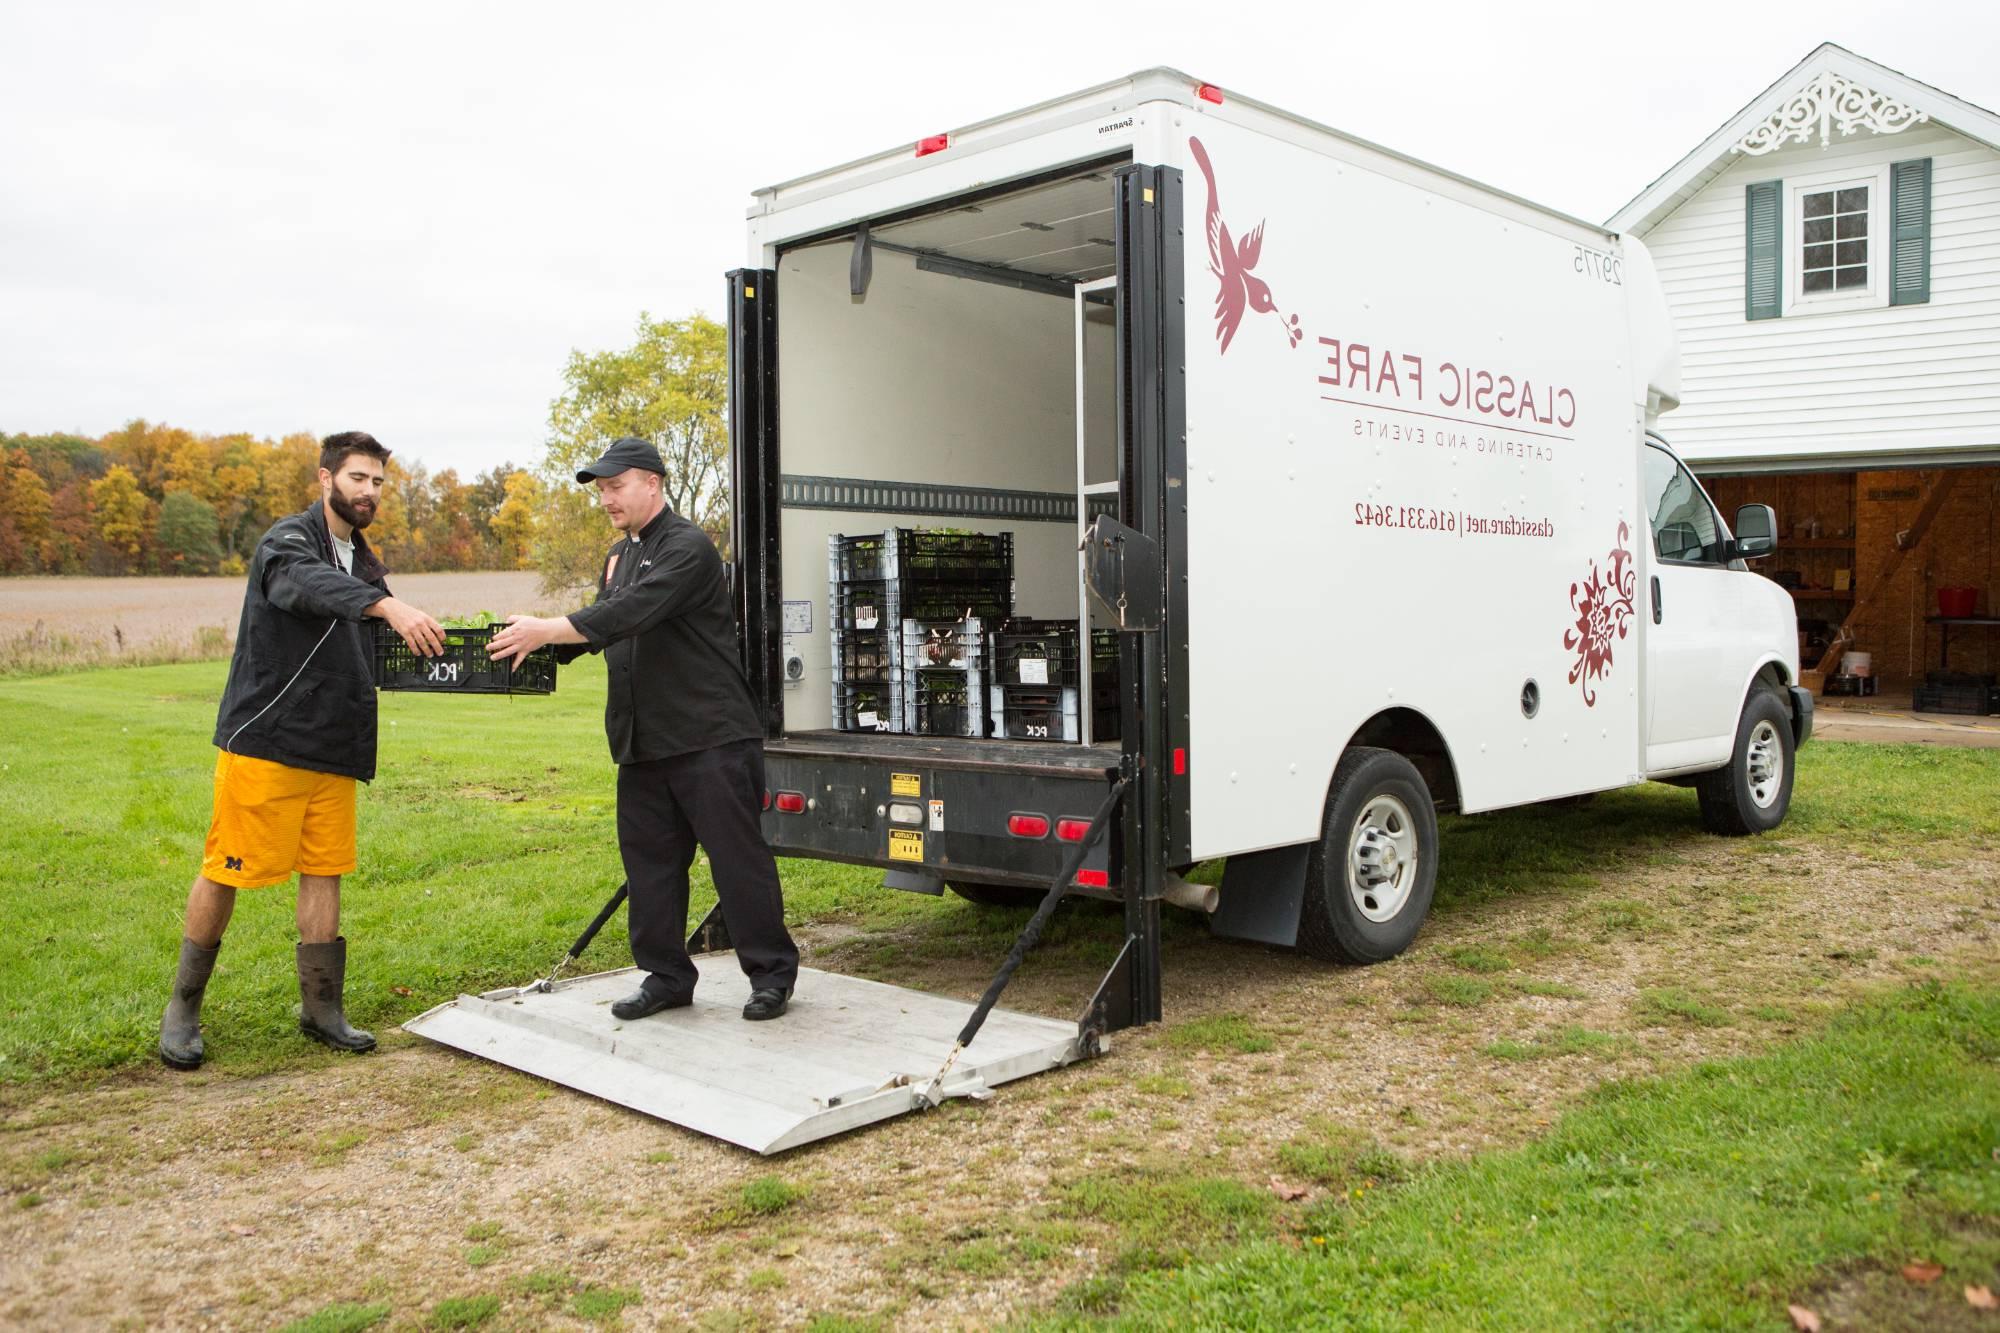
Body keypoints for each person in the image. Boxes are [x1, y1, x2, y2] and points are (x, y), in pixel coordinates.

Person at [157, 431, 446, 1070]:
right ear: (325, 479)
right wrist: (387, 606)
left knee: (325, 870)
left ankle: (321, 1011)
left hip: (332, 746)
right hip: (267, 738)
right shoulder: (288, 543)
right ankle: (183, 1006)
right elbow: (304, 586)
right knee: (227, 868)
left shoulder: (366, 563)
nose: (368, 491)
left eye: (377, 481)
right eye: (357, 479)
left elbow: (373, 647)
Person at [487, 437, 799, 1022]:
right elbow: (605, 628)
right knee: (650, 865)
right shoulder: (620, 554)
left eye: (615, 485)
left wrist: (549, 627)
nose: (606, 498)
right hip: (643, 739)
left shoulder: (687, 547)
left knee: (737, 861)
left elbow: (632, 612)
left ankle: (771, 976)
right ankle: (666, 977)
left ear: (652, 483)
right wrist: (532, 649)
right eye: (601, 489)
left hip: (708, 735)